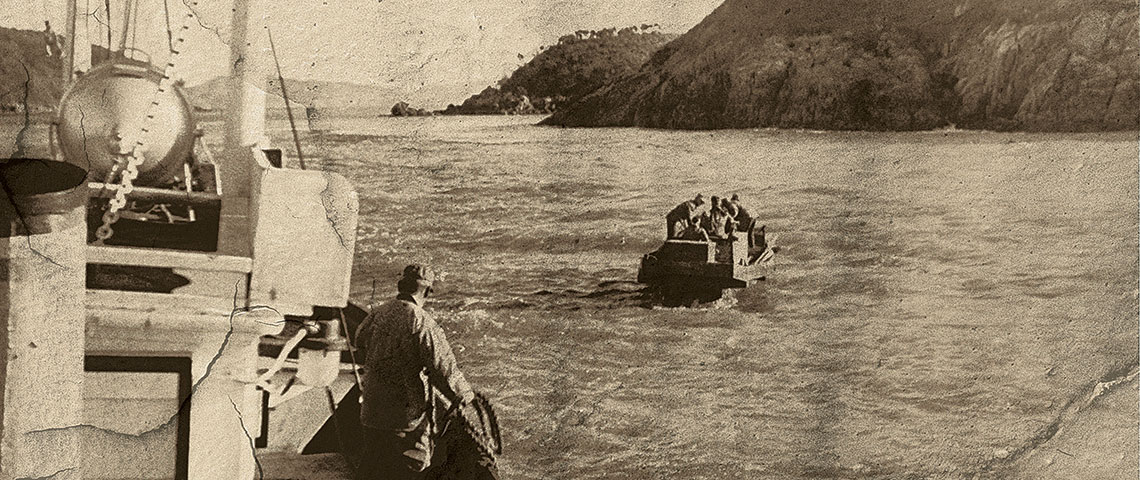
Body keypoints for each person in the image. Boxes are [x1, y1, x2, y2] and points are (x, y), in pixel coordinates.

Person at [355, 264, 475, 480]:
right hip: (403, 419)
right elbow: (443, 369)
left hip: (371, 411)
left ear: (401, 286)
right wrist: (464, 396)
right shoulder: (422, 322)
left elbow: (359, 340)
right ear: (427, 292)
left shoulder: (377, 313)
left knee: (372, 464)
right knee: (408, 468)